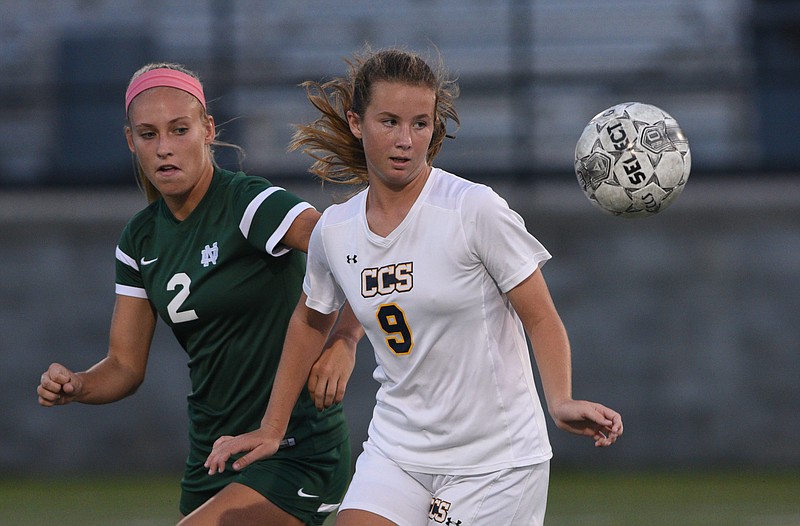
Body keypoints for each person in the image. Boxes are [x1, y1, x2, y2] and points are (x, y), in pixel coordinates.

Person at [204, 48, 624, 526]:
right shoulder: (335, 230)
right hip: (398, 449)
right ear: (356, 123)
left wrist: (561, 400)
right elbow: (309, 317)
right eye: (389, 122)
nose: (406, 140)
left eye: (420, 124)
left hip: (493, 461)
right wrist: (272, 427)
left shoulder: (473, 209)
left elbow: (540, 315)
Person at [36, 62, 363, 526]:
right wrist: (78, 384)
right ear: (131, 141)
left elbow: (357, 250)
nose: (164, 148)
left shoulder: (248, 203)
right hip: (214, 455)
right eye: (148, 135)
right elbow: (125, 366)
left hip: (295, 449)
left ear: (207, 129)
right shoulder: (140, 240)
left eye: (179, 129)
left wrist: (346, 339)